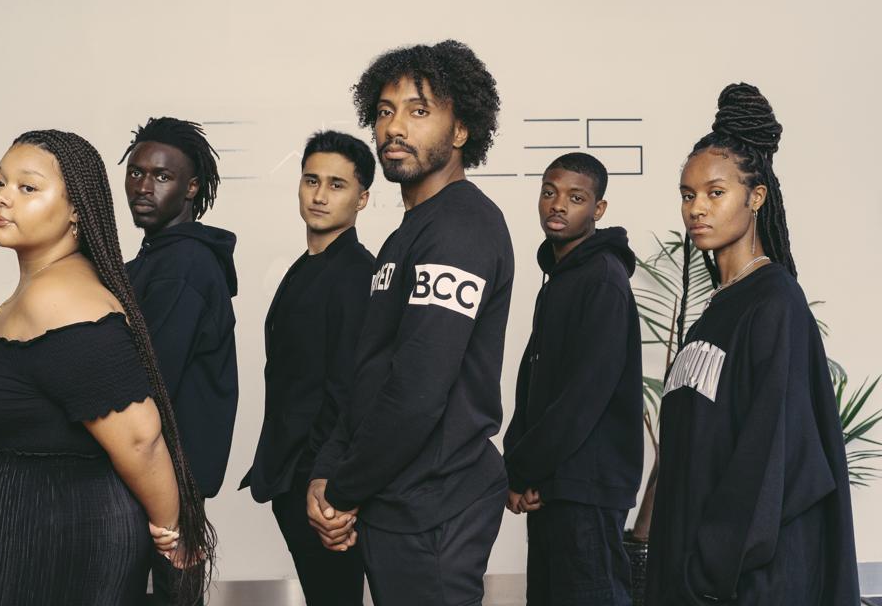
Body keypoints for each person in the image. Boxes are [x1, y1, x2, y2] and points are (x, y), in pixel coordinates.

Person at [0, 130, 214, 606]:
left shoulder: (63, 299)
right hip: (23, 544)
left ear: (76, 211)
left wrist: (174, 538)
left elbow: (141, 438)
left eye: (27, 187)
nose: (3, 197)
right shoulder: (41, 290)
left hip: (57, 549)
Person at [307, 40, 514, 606]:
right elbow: (370, 373)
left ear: (461, 130)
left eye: (419, 111)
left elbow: (417, 391)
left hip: (435, 507)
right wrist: (328, 471)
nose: (394, 127)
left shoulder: (462, 228)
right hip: (395, 499)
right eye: (384, 111)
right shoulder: (406, 234)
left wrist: (342, 491)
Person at [645, 83, 860, 605]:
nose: (697, 208)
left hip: (745, 586)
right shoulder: (714, 312)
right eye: (688, 194)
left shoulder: (775, 303)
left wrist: (710, 570)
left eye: (715, 193)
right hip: (693, 582)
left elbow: (770, 456)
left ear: (755, 197)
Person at [241, 130, 375, 606]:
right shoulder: (307, 266)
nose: (319, 195)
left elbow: (350, 390)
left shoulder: (357, 273)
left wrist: (323, 480)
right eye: (311, 180)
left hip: (321, 483)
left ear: (362, 198)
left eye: (337, 185)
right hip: (294, 475)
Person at [503, 152, 642, 606]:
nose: (558, 204)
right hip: (555, 484)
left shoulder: (602, 279)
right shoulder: (561, 278)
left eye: (576, 198)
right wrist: (521, 469)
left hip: (586, 489)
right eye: (549, 192)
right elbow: (534, 385)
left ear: (598, 209)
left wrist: (524, 469)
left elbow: (583, 397)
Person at [119, 116, 238, 603]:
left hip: (164, 483)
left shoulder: (183, 265)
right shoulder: (156, 259)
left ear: (191, 188)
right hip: (153, 475)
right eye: (136, 172)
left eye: (162, 176)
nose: (143, 187)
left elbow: (147, 382)